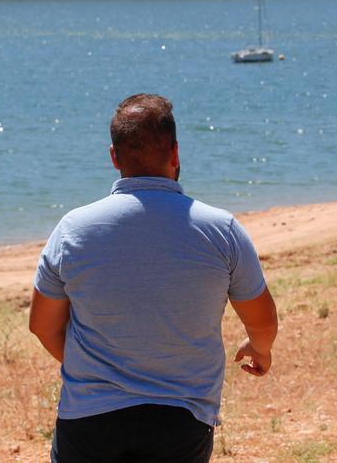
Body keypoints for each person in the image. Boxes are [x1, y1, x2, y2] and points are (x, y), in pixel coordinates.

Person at [29, 94, 279, 462]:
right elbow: (263, 321)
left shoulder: (73, 230)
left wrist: (97, 370)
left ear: (114, 157)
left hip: (88, 421)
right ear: (175, 152)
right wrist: (260, 350)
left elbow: (42, 326)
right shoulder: (220, 229)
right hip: (181, 421)